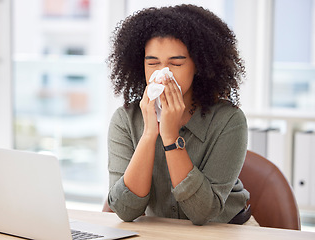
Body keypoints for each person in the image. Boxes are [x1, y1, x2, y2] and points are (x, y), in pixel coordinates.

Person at [106, 4, 252, 226]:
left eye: (176, 63)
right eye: (152, 63)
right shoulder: (124, 120)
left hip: (227, 230)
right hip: (164, 232)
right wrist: (148, 134)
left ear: (198, 65)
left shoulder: (229, 120)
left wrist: (170, 137)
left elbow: (203, 212)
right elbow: (125, 210)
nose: (162, 74)